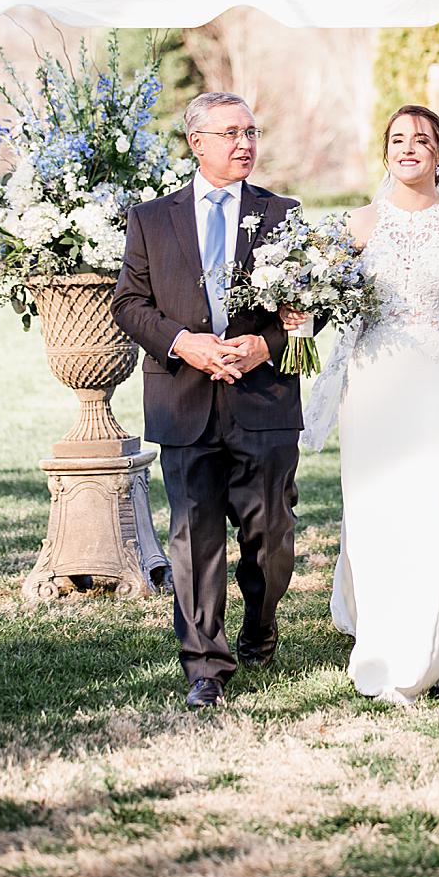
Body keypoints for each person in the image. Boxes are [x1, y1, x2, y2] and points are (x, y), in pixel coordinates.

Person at [298, 104, 439, 705]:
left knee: (427, 508)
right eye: (398, 139)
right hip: (370, 385)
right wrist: (298, 314)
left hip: (438, 384)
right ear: (386, 152)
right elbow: (322, 301)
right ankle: (382, 627)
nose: (409, 149)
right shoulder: (357, 224)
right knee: (374, 507)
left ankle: (420, 653)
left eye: (421, 140)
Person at [112, 92, 304, 709]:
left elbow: (312, 305)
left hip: (264, 399)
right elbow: (128, 306)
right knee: (193, 535)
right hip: (183, 398)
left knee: (270, 535)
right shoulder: (150, 219)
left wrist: (264, 342)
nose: (244, 143)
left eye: (251, 131)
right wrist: (181, 343)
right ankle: (205, 664)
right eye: (230, 133)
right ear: (197, 142)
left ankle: (261, 623)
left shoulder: (284, 214)